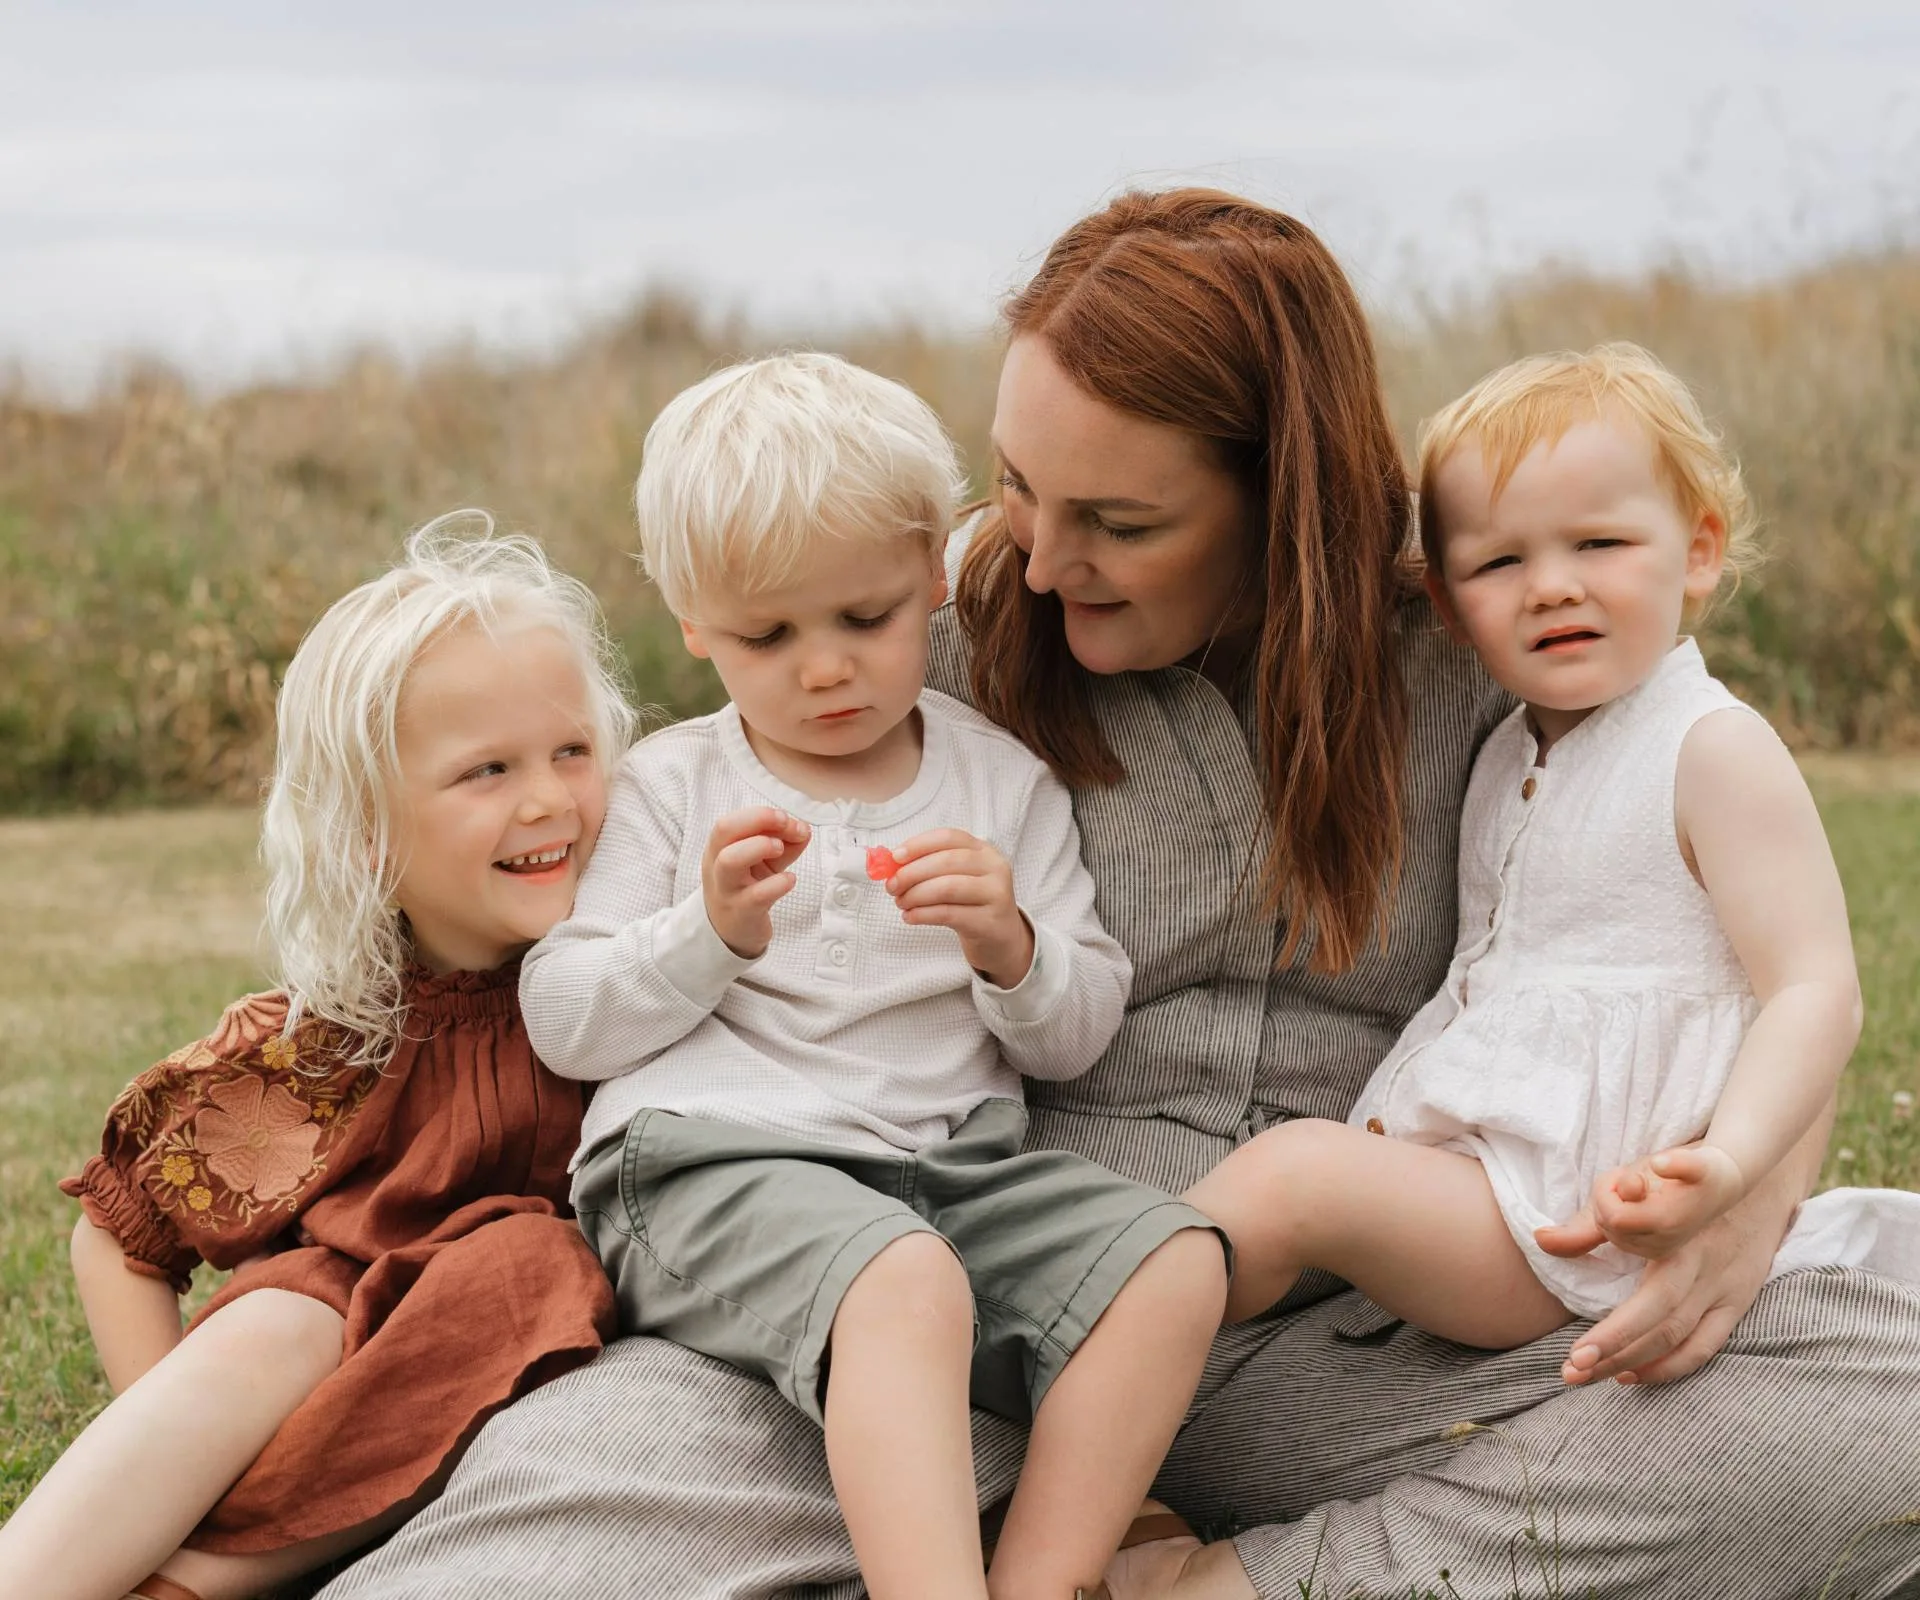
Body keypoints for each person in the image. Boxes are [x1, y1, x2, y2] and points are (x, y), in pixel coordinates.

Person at [315, 193, 1920, 1600]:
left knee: (1879, 1423)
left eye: (1120, 522)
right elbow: (607, 851)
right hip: (967, 1281)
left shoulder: (1474, 647)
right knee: (561, 1541)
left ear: (1285, 506)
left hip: (1365, 1333)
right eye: (1018, 487)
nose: (1034, 555)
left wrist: (1759, 1192)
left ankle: (1239, 1582)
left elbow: (1733, 896)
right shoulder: (910, 639)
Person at [520, 351, 1227, 1600]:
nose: (826, 668)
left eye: (866, 618)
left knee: (1175, 1263)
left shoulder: (1001, 780)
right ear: (692, 622)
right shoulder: (676, 784)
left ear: (931, 578)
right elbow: (565, 1015)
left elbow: (1076, 1030)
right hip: (709, 1165)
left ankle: (1041, 1579)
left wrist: (1011, 946)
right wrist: (710, 934)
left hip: (947, 1174)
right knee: (902, 1283)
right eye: (767, 634)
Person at [1187, 341, 1920, 1353]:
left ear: (1698, 550)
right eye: (1500, 561)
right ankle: (1158, 1362)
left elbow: (1815, 989)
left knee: (1288, 1180)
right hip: (1501, 1183)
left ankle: (1095, 1337)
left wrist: (1733, 1163)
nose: (1552, 587)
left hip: (1586, 1216)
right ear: (1444, 602)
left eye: (1601, 544)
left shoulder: (1712, 749)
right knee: (1275, 1209)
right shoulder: (1505, 752)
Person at [1, 520, 633, 1600]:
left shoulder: (632, 992)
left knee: (527, 1268)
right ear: (371, 837)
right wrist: (170, 1449)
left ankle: (190, 1582)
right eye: (486, 770)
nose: (546, 799)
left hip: (502, 1390)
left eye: (571, 751)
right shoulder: (333, 1041)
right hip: (312, 1380)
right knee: (283, 1318)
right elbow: (120, 1231)